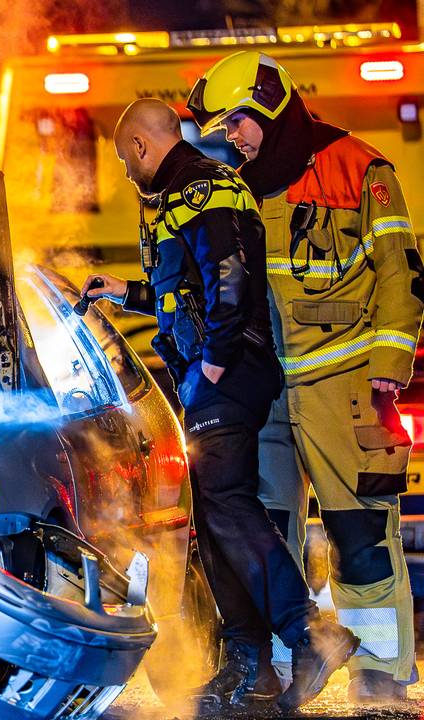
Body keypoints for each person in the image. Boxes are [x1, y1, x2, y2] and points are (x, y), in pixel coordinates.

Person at [83, 98, 358, 713]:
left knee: (228, 504)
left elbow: (229, 279)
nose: (129, 174)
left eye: (128, 160)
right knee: (214, 512)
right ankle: (248, 664)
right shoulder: (189, 192)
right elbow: (189, 294)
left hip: (227, 373)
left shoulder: (202, 187)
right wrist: (125, 292)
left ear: (138, 147)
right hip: (221, 372)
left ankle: (310, 632)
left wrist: (213, 361)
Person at [189, 50, 423, 705]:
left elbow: (401, 276)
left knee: (361, 536)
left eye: (237, 120)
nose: (229, 135)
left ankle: (378, 672)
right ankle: (274, 668)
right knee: (264, 531)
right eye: (222, 125)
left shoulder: (362, 168)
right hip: (262, 392)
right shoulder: (231, 180)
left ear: (271, 106)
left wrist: (388, 369)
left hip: (347, 386)